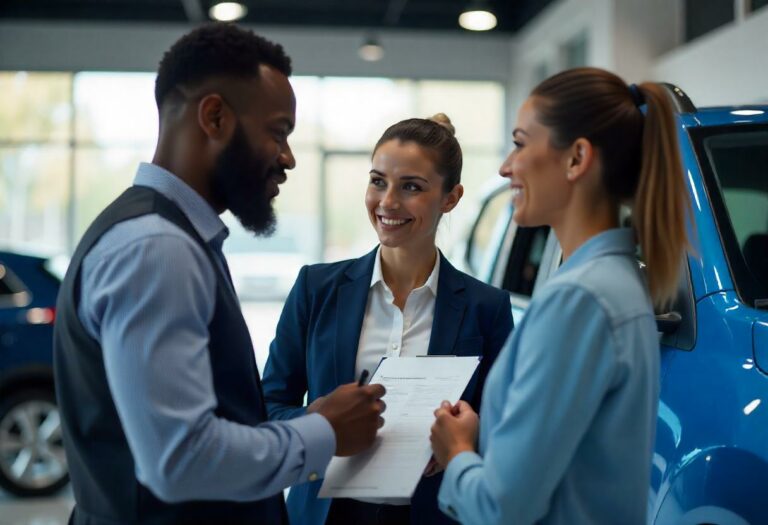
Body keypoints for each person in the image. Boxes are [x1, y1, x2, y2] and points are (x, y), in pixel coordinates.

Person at [53, 23, 385, 525]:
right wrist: (324, 431)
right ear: (214, 117)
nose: (288, 158)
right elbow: (181, 460)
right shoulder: (157, 247)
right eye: (278, 132)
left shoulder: (171, 235)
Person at [430, 67, 691, 524]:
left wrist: (458, 452)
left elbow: (501, 507)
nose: (505, 167)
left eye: (520, 142)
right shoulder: (615, 282)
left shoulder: (581, 300)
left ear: (576, 159)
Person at [261, 114, 514, 525]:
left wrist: (460, 444)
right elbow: (268, 407)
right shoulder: (316, 288)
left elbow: (506, 429)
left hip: (433, 514)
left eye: (411, 187)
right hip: (325, 515)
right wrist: (320, 423)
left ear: (450, 198)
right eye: (378, 181)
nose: (388, 202)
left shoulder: (487, 308)